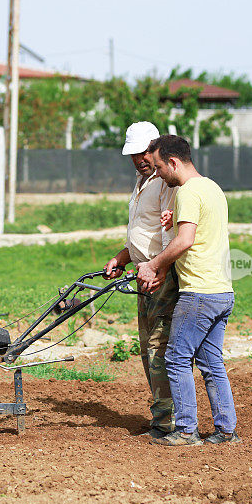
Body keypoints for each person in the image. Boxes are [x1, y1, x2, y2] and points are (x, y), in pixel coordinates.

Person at [136, 134, 240, 446]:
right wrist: (172, 221)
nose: (157, 174)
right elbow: (199, 230)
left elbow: (186, 242)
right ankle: (225, 430)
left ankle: (185, 430)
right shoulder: (211, 187)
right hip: (223, 291)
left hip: (199, 293)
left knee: (177, 358)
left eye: (158, 168)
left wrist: (153, 265)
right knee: (211, 364)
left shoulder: (187, 191)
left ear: (173, 162)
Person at [103, 121, 178, 440]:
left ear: (156, 149)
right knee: (148, 346)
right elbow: (142, 231)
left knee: (158, 346)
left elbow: (169, 232)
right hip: (143, 272)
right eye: (133, 154)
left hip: (159, 275)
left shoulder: (165, 182)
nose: (139, 159)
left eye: (144, 152)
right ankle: (163, 416)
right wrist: (122, 258)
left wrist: (157, 269)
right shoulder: (141, 181)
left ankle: (168, 422)